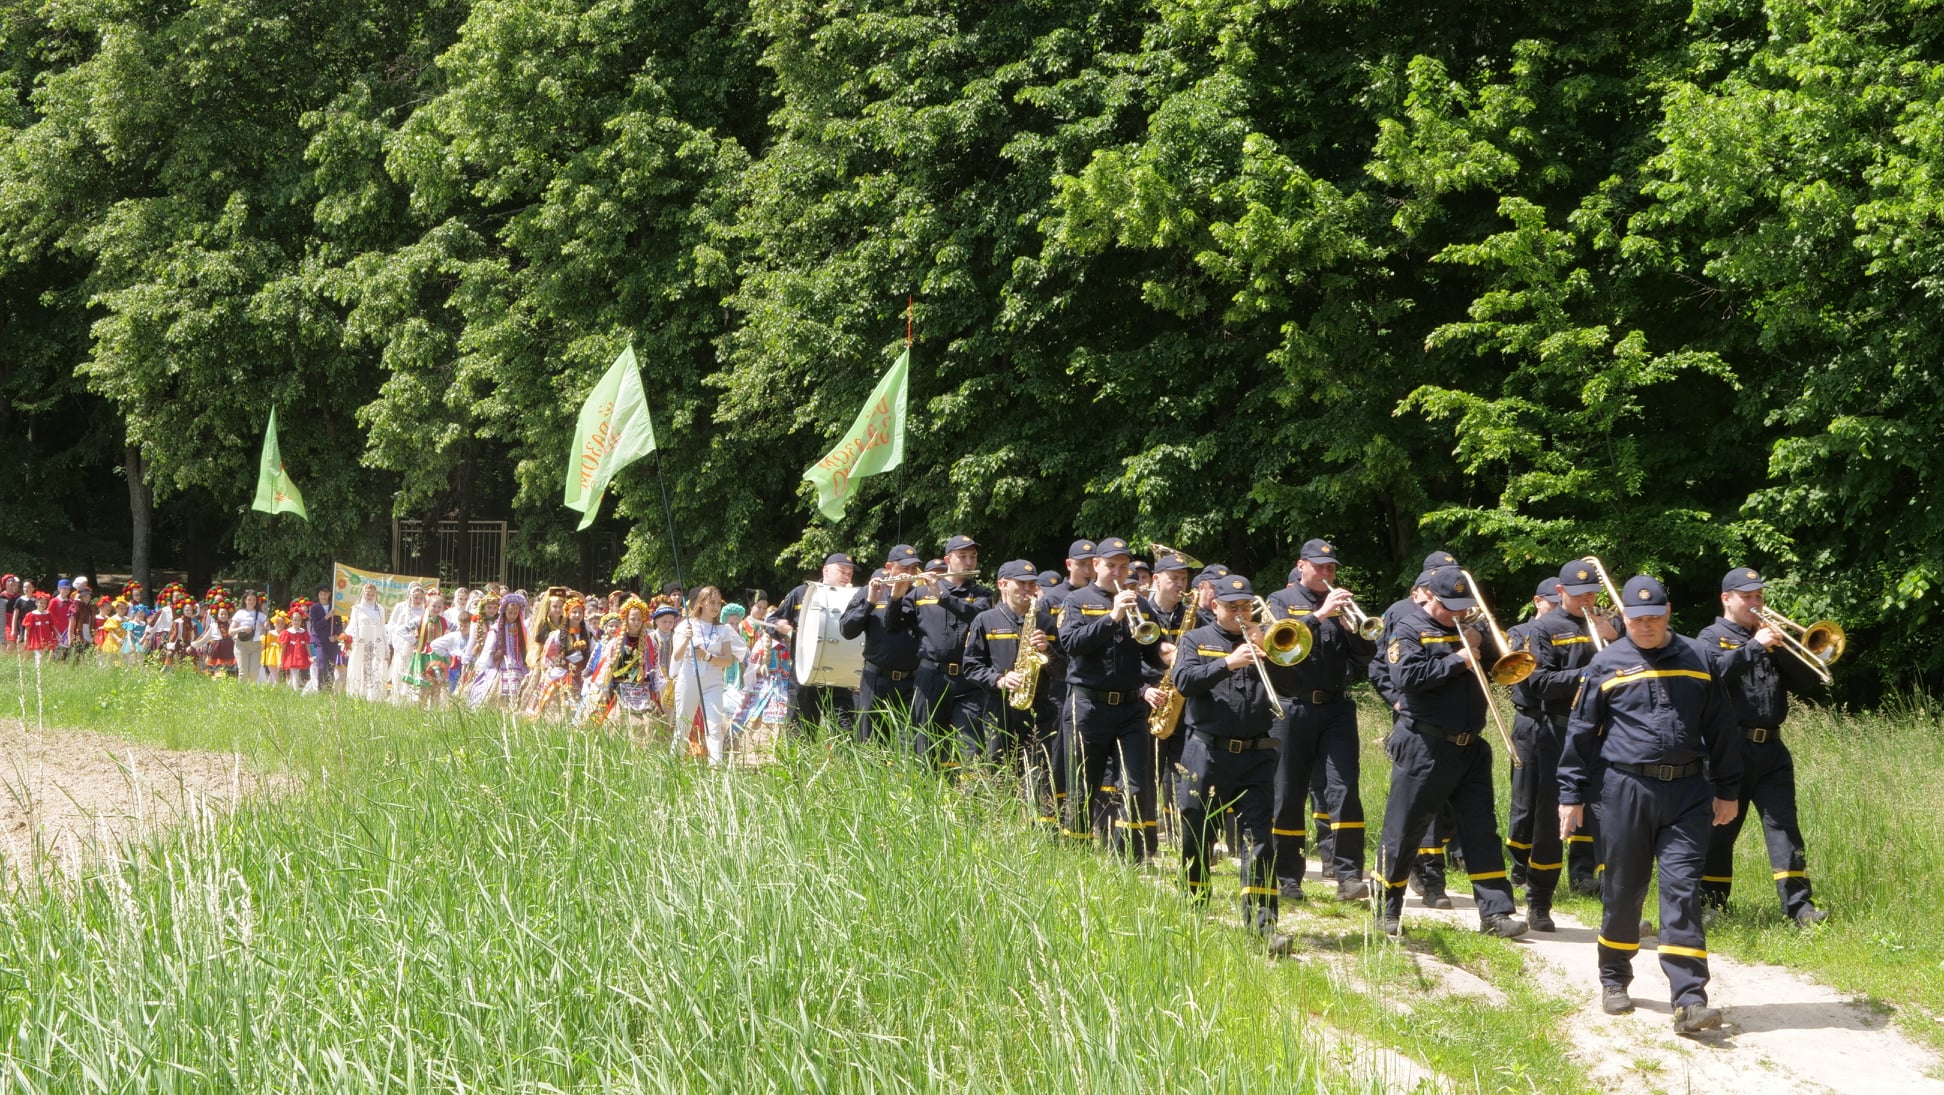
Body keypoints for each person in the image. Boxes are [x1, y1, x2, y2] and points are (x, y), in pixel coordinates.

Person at [1560, 575, 1741, 1032]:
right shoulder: (1605, 663)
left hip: (1687, 793)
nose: (1645, 627)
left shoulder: (1699, 658)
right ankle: (1614, 977)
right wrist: (1570, 796)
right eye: (1636, 619)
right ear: (1623, 617)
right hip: (1625, 791)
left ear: (1669, 612)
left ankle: (1690, 998)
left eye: (1653, 619)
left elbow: (1720, 727)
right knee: (1625, 888)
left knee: (1682, 892)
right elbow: (1580, 734)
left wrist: (1728, 788)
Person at [1374, 566, 1528, 938]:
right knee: (1406, 826)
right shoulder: (1409, 628)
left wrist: (1490, 644)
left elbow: (1503, 667)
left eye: (1463, 607)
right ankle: (1386, 908)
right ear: (1431, 598)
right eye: (1449, 608)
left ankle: (1495, 912)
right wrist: (1458, 659)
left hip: (1471, 745)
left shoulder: (1475, 627)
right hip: (1423, 743)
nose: (1456, 614)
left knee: (1480, 829)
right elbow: (1405, 677)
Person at [1696, 567, 1828, 927]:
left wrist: (1784, 647)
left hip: (1772, 749)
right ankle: (1711, 904)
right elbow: (1712, 676)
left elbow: (1810, 681)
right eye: (1747, 597)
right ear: (1727, 599)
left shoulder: (1772, 639)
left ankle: (1800, 908)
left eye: (1759, 596)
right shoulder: (1710, 637)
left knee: (1785, 827)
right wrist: (1754, 647)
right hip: (1729, 748)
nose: (1756, 603)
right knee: (1720, 829)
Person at [1173, 573, 1294, 956]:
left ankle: (1263, 926)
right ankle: (1194, 910)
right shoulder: (1195, 639)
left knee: (1259, 841)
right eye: (1232, 607)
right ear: (1215, 607)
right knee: (1197, 832)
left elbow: (1291, 687)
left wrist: (1271, 655)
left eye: (1246, 607)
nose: (1241, 613)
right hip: (1207, 752)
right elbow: (1183, 681)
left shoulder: (1263, 641)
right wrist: (1227, 662)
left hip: (1257, 754)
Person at [1263, 539, 1378, 903]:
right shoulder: (1279, 600)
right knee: (1289, 792)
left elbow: (1365, 656)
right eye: (1320, 566)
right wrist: (1319, 615)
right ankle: (1288, 876)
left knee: (1344, 788)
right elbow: (1278, 648)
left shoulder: (1343, 608)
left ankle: (1348, 874)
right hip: (1292, 707)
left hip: (1336, 708)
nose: (1327, 573)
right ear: (1301, 566)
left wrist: (1352, 630)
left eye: (1331, 568)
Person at [1504, 562, 1615, 928]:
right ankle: (1539, 901)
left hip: (1600, 732)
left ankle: (1615, 907)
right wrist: (1590, 672)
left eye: (1592, 594)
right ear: (1562, 593)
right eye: (1580, 594)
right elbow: (1539, 683)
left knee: (1608, 819)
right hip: (1556, 730)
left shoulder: (1603, 625)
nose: (1587, 601)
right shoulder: (1543, 628)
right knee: (1550, 822)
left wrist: (1614, 638)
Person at [1056, 537, 1166, 859]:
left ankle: (1127, 860)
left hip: (1131, 707)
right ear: (1096, 566)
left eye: (1123, 566)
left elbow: (1151, 650)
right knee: (1082, 787)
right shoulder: (1076, 601)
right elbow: (1072, 645)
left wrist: (1166, 654)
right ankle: (1076, 857)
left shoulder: (1141, 604)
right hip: (1087, 704)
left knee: (1134, 784)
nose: (1119, 572)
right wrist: (1111, 617)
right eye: (1111, 566)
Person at [962, 560, 1059, 818]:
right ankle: (1001, 824)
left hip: (1040, 709)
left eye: (1032, 584)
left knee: (1041, 772)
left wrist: (1046, 650)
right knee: (998, 770)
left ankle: (1040, 828)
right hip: (999, 707)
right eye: (1022, 583)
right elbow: (970, 667)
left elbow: (1063, 670)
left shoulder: (1046, 622)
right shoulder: (985, 619)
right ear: (1003, 584)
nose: (1028, 589)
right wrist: (999, 680)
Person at [898, 534, 994, 767]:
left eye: (973, 557)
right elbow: (895, 625)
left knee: (970, 747)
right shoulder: (920, 593)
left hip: (968, 680)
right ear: (948, 559)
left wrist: (942, 596)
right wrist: (895, 595)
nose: (969, 562)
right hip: (931, 676)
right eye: (963, 556)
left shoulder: (982, 594)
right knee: (927, 744)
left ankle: (968, 798)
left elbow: (977, 617)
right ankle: (926, 797)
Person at [842, 546, 923, 746]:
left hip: (911, 681)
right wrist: (870, 602)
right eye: (904, 568)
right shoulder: (870, 591)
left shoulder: (920, 595)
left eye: (914, 568)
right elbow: (847, 630)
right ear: (889, 567)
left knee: (909, 744)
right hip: (876, 679)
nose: (910, 573)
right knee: (870, 741)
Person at [771, 552, 858, 735]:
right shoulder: (802, 593)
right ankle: (799, 765)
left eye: (850, 573)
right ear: (826, 570)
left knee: (845, 732)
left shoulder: (854, 597)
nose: (847, 576)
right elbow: (773, 621)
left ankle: (845, 764)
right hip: (805, 675)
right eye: (842, 571)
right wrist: (779, 626)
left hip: (839, 677)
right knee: (801, 731)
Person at [669, 585, 748, 766]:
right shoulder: (686, 626)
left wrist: (707, 656)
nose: (715, 607)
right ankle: (674, 765)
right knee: (683, 724)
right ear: (701, 603)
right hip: (690, 677)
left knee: (715, 726)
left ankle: (715, 768)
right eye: (711, 602)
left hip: (713, 680)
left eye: (718, 603)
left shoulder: (723, 630)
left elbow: (728, 660)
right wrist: (686, 638)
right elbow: (676, 656)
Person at [469, 592, 530, 707]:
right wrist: (483, 665)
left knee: (521, 691)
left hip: (519, 664)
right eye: (510, 613)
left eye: (515, 613)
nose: (512, 616)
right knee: (496, 692)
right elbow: (489, 648)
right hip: (501, 664)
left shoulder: (522, 629)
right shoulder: (496, 629)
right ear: (504, 612)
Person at [343, 584, 389, 701]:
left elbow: (383, 629)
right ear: (363, 593)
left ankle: (373, 697)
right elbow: (353, 625)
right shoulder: (357, 608)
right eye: (368, 594)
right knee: (361, 667)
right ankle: (359, 695)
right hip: (361, 643)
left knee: (375, 668)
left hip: (376, 643)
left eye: (373, 594)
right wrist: (353, 641)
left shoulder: (380, 609)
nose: (370, 596)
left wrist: (386, 647)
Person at [230, 591, 268, 683]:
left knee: (254, 672)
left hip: (256, 645)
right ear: (245, 601)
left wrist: (266, 626)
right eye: (249, 599)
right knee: (243, 672)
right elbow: (230, 631)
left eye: (254, 600)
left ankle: (250, 693)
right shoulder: (240, 613)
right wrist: (242, 628)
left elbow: (266, 628)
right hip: (242, 645)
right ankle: (242, 693)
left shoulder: (261, 615)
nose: (251, 602)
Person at [309, 586, 337, 693]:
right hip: (319, 641)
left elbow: (338, 625)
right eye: (321, 594)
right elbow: (315, 625)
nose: (323, 596)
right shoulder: (314, 608)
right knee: (321, 665)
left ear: (329, 594)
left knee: (331, 666)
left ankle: (329, 689)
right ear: (318, 595)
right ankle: (321, 689)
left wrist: (336, 636)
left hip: (332, 641)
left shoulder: (334, 607)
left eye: (325, 594)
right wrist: (327, 616)